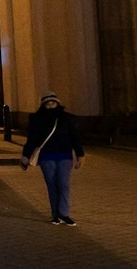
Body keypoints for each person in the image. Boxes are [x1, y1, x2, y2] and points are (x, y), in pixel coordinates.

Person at [19, 91, 85, 225]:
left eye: (53, 103)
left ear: (57, 103)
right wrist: (25, 156)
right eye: (48, 104)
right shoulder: (37, 119)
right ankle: (55, 214)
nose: (50, 106)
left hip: (64, 156)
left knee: (64, 184)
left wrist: (80, 154)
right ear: (43, 105)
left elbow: (75, 137)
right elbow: (31, 139)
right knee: (52, 185)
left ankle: (64, 213)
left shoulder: (66, 118)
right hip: (46, 156)